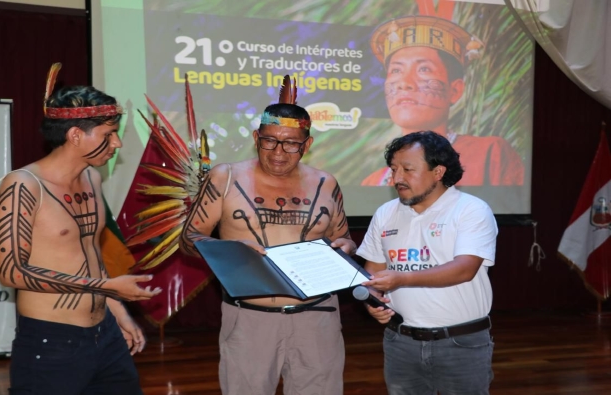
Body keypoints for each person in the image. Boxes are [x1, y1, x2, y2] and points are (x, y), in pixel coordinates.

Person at [180, 76, 356, 395]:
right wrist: (231, 249)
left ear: (308, 144)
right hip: (250, 318)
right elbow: (189, 238)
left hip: (317, 318)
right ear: (255, 137)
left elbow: (344, 239)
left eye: (291, 143)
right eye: (269, 140)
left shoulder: (325, 183)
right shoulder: (226, 177)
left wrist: (344, 247)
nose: (278, 152)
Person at [0, 70, 162, 395]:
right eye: (109, 134)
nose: (118, 143)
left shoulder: (93, 178)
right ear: (74, 135)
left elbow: (91, 256)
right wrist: (107, 286)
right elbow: (11, 272)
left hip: (106, 334)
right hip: (52, 340)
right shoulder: (24, 186)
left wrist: (118, 312)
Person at [357, 131, 497, 394]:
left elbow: (465, 269)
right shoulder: (385, 213)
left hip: (460, 342)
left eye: (408, 169)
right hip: (400, 341)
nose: (397, 178)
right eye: (394, 169)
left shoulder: (471, 209)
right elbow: (372, 271)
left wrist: (401, 279)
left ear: (438, 171)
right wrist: (372, 300)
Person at [361, 15, 524, 186]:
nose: (404, 83)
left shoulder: (490, 154)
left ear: (455, 90)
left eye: (424, 69)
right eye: (395, 70)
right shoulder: (374, 182)